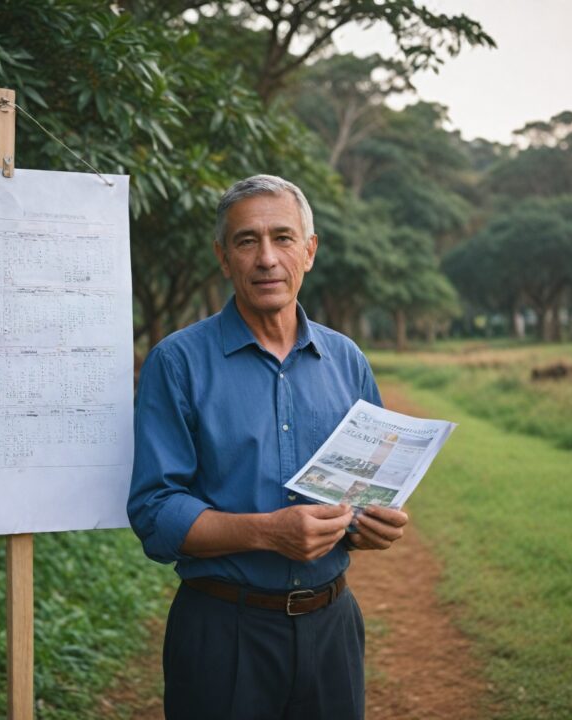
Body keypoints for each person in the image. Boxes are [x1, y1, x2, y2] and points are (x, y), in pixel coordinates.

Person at [128, 175, 408, 720]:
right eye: (246, 241)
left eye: (282, 238)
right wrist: (268, 532)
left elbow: (368, 490)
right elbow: (154, 513)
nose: (266, 259)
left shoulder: (346, 360)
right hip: (222, 635)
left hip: (333, 628)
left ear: (309, 250)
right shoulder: (177, 363)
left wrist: (374, 524)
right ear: (222, 257)